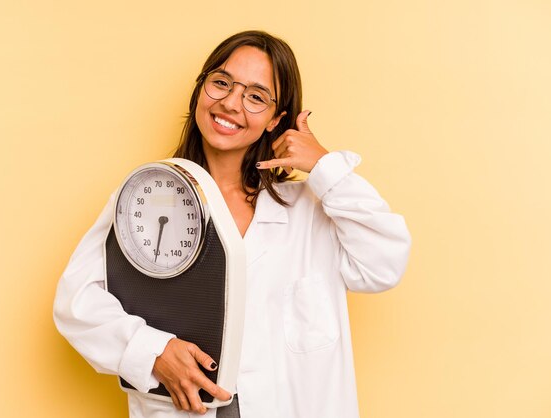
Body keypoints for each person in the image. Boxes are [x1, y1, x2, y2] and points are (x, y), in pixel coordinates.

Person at [54, 30, 411, 418]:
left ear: (278, 120)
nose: (230, 103)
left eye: (256, 96)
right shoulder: (147, 197)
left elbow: (384, 263)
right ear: (200, 91)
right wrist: (151, 352)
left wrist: (325, 167)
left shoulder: (312, 210)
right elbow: (76, 301)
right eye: (221, 83)